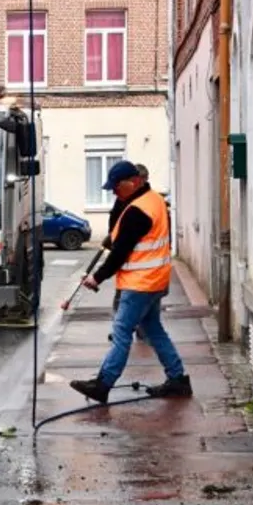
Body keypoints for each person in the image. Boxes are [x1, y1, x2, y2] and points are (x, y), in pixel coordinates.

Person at [70, 160, 192, 403]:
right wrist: (120, 200)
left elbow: (120, 251)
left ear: (134, 182)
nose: (114, 192)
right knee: (154, 329)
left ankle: (103, 383)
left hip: (140, 283)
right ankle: (177, 378)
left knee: (122, 332)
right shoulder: (153, 200)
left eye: (117, 188)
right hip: (155, 280)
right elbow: (118, 231)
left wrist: (97, 277)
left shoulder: (138, 210)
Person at [104, 163, 159, 343]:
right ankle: (125, 329)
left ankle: (132, 331)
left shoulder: (147, 204)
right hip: (132, 267)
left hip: (146, 269)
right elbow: (115, 220)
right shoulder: (123, 199)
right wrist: (112, 236)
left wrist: (97, 277)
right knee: (123, 300)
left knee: (144, 306)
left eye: (143, 180)